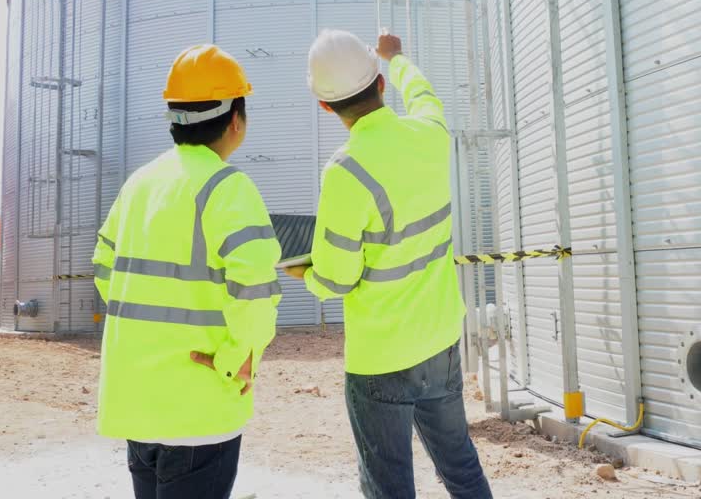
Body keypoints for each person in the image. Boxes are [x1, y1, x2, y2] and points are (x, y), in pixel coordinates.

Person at [287, 30, 491, 499]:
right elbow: (424, 96)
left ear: (325, 107)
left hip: (380, 356)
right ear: (379, 83)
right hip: (439, 338)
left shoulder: (345, 170)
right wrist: (397, 58)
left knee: (388, 485)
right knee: (460, 463)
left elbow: (336, 278)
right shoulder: (430, 134)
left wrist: (309, 276)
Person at [91, 44, 283, 499]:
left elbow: (103, 267)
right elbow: (255, 290)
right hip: (198, 409)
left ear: (172, 118)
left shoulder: (139, 184)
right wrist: (237, 356)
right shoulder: (227, 187)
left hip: (135, 402)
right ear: (236, 120)